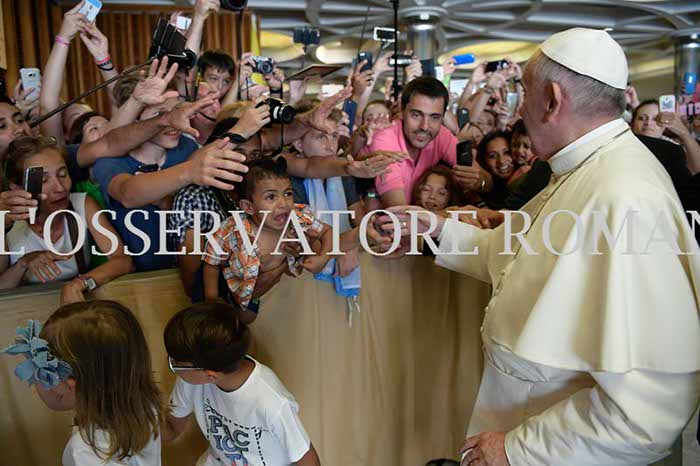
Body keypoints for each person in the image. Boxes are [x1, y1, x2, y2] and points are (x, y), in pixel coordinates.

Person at [389, 28, 700, 465]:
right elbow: (520, 256)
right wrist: (435, 229)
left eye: (524, 92)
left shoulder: (625, 194)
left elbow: (647, 412)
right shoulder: (583, 168)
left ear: (552, 101)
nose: (520, 107)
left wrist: (516, 449)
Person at [1, 300, 165, 465]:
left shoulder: (86, 453)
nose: (35, 381)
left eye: (39, 373)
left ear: (68, 386)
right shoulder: (143, 407)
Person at [162, 301, 321, 466]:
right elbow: (172, 429)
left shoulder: (271, 403)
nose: (171, 364)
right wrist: (144, 416)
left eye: (175, 364)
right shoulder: (191, 379)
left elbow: (308, 460)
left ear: (210, 376)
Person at [0, 136, 133, 304]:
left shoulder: (82, 205)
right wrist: (23, 264)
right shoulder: (6, 221)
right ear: (17, 188)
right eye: (44, 180)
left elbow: (123, 261)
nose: (60, 188)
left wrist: (79, 284)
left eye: (63, 174)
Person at [202, 158, 332, 323]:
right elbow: (211, 262)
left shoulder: (297, 217)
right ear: (249, 207)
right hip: (234, 289)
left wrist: (324, 257)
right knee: (231, 320)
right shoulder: (231, 230)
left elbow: (327, 231)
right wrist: (212, 301)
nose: (283, 203)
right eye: (271, 197)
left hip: (269, 289)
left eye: (288, 193)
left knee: (251, 319)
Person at [362, 76, 491, 206]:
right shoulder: (384, 139)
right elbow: (398, 208)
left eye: (434, 117)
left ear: (443, 117)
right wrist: (446, 214)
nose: (424, 126)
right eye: (416, 115)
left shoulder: (442, 136)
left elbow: (486, 179)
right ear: (402, 111)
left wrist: (480, 181)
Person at [475, 130, 515, 210]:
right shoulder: (482, 190)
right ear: (484, 161)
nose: (501, 161)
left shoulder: (528, 174)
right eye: (492, 156)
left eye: (506, 152)